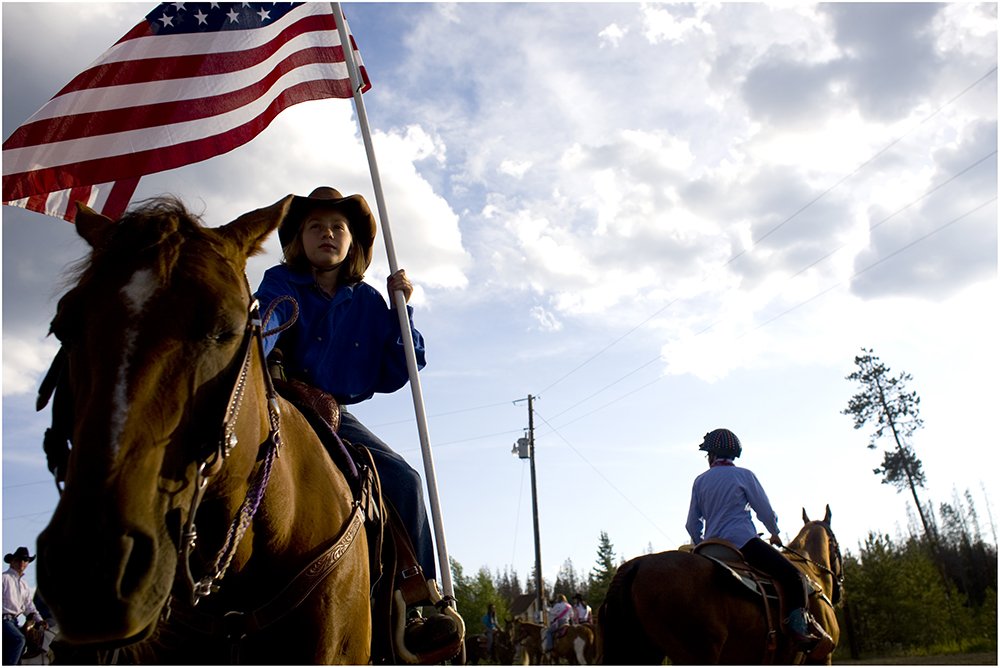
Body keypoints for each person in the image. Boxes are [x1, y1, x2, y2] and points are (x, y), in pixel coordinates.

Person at [255, 186, 455, 651]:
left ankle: (416, 598)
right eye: (315, 226)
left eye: (337, 228)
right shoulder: (280, 282)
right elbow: (264, 324)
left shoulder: (366, 301)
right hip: (281, 401)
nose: (327, 234)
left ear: (352, 242)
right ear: (298, 240)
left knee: (404, 480)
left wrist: (403, 309)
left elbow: (402, 362)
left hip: (332, 413)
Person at [684, 428, 816, 646]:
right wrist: (774, 532)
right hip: (744, 544)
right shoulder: (744, 475)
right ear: (733, 453)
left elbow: (692, 524)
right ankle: (797, 628)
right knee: (795, 577)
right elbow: (764, 511)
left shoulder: (700, 481)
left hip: (710, 549)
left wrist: (700, 545)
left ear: (713, 455)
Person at [3, 547, 46, 665]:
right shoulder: (4, 578)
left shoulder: (24, 585)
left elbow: (29, 606)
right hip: (3, 620)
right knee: (19, 640)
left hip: (14, 622)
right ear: (12, 561)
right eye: (19, 560)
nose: (22, 563)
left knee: (26, 642)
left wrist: (40, 621)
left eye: (25, 560)